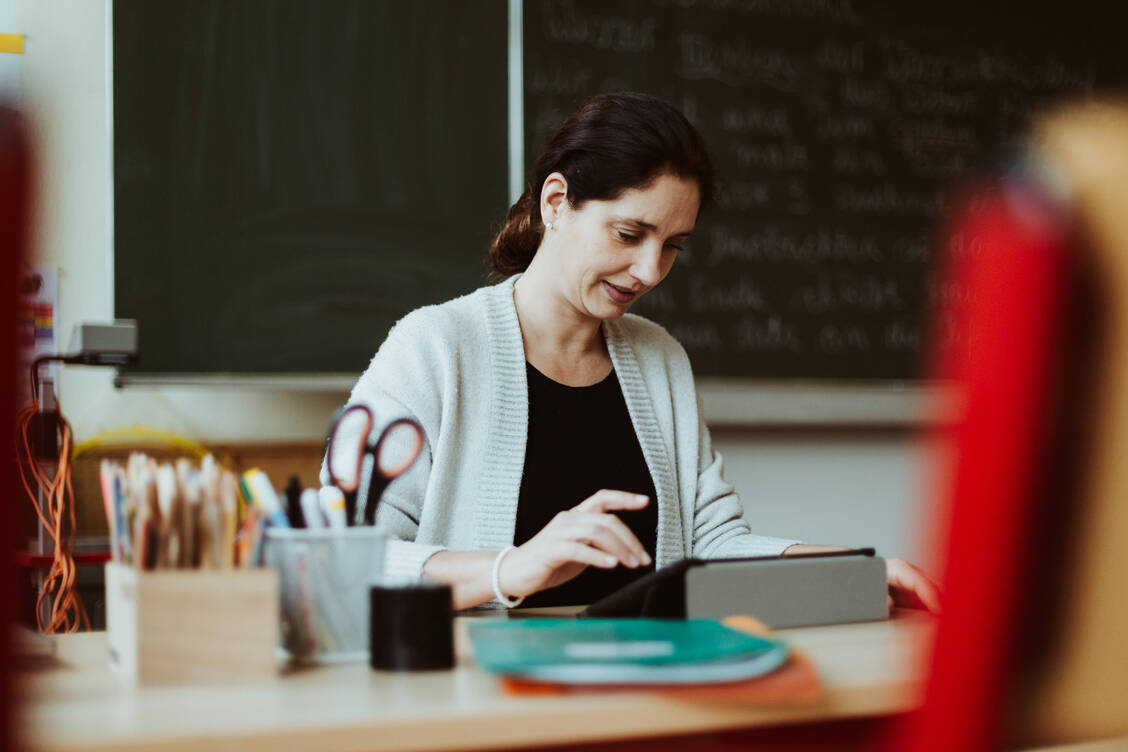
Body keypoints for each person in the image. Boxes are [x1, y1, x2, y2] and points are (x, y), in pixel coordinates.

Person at [326, 91, 940, 612]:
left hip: (647, 690)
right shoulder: (434, 347)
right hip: (485, 705)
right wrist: (509, 569)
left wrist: (851, 570)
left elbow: (710, 544)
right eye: (629, 234)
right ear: (556, 202)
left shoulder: (658, 358)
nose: (649, 270)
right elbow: (338, 561)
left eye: (674, 245)